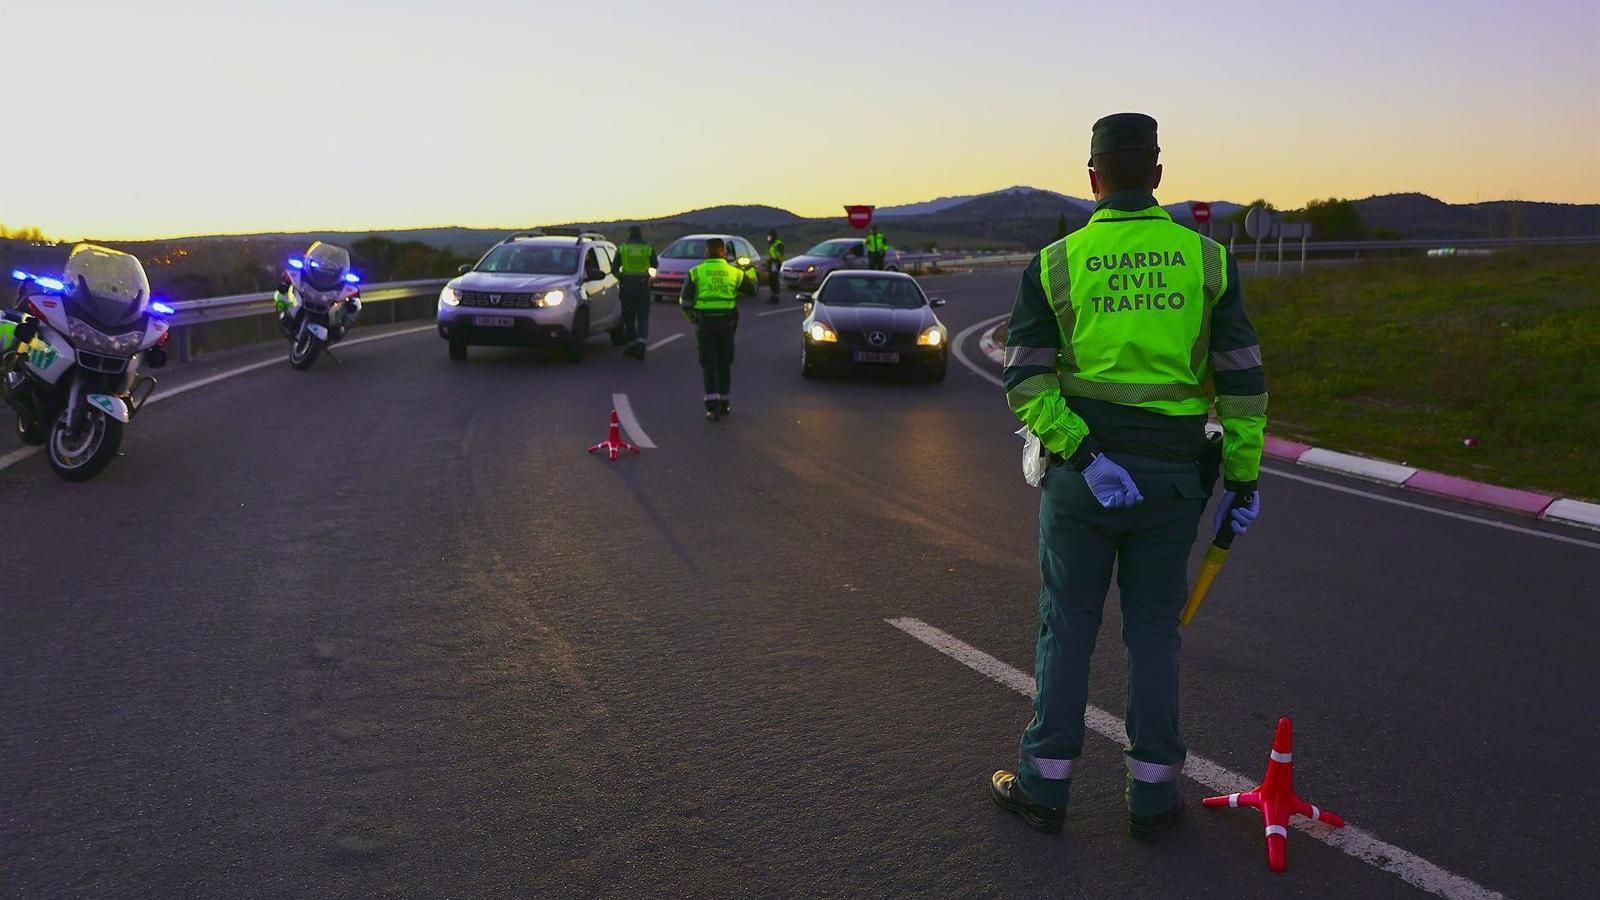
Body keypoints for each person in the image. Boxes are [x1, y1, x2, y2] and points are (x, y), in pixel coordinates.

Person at [990, 113, 1267, 842]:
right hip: (1174, 482)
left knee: (1066, 626)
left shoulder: (1056, 262)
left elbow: (1025, 381)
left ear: (1092, 179)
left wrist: (1084, 455)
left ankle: (1045, 786)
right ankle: (1152, 795)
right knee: (1153, 634)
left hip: (1084, 482)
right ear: (1158, 175)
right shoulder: (1207, 260)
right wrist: (1242, 477)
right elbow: (1242, 380)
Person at [679, 237, 756, 420]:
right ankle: (724, 402)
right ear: (724, 252)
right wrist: (749, 271)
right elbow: (752, 291)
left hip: (705, 323)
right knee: (724, 362)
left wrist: (693, 318)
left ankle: (712, 407)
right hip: (727, 323)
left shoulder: (696, 272)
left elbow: (685, 301)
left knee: (708, 363)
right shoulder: (734, 272)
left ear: (706, 252)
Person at [615, 226, 658, 359]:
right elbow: (655, 265)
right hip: (643, 286)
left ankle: (631, 345)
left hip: (627, 286)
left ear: (629, 234)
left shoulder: (622, 248)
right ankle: (641, 343)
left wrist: (621, 277)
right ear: (640, 234)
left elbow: (614, 268)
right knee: (643, 316)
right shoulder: (648, 248)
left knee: (629, 317)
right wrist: (647, 275)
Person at [765, 229, 785, 304]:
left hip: (776, 263)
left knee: (774, 279)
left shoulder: (778, 244)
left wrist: (774, 258)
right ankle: (773, 295)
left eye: (770, 237)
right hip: (772, 262)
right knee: (771, 279)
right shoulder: (771, 244)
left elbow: (779, 254)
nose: (768, 238)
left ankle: (776, 297)